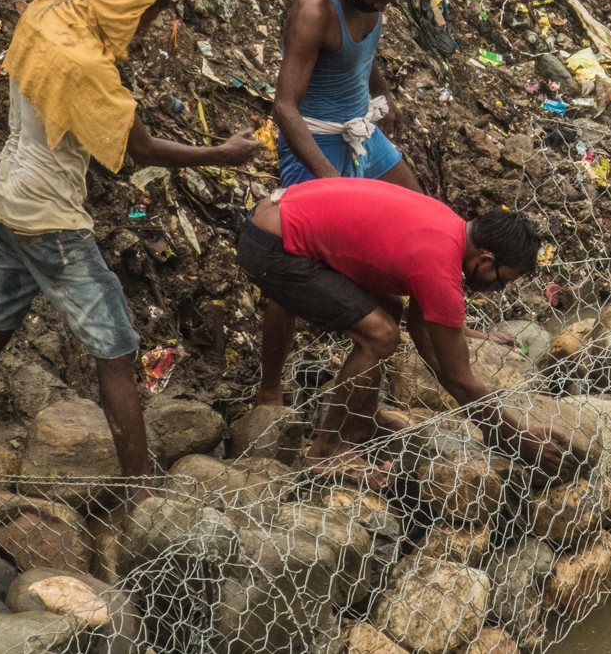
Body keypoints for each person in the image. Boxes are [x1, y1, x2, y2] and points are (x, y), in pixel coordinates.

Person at [0, 0, 262, 483]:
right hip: (49, 214)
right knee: (116, 345)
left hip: (6, 195)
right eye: (144, 20)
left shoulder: (46, 13)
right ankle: (139, 493)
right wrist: (220, 153)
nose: (142, 33)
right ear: (126, 10)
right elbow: (139, 149)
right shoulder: (90, 68)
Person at [235, 178, 571, 476]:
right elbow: (458, 377)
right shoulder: (439, 268)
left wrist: (496, 425)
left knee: (388, 308)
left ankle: (360, 419)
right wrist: (515, 436)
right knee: (380, 335)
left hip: (278, 215)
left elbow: (426, 338)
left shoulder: (449, 230)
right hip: (272, 246)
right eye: (500, 280)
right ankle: (327, 450)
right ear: (485, 259)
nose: (497, 288)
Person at [272, 0, 418, 190]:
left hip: (361, 134)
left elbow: (357, 55)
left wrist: (382, 93)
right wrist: (330, 180)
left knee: (421, 212)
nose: (380, 7)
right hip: (316, 143)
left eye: (388, 1)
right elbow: (284, 108)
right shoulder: (314, 13)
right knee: (333, 228)